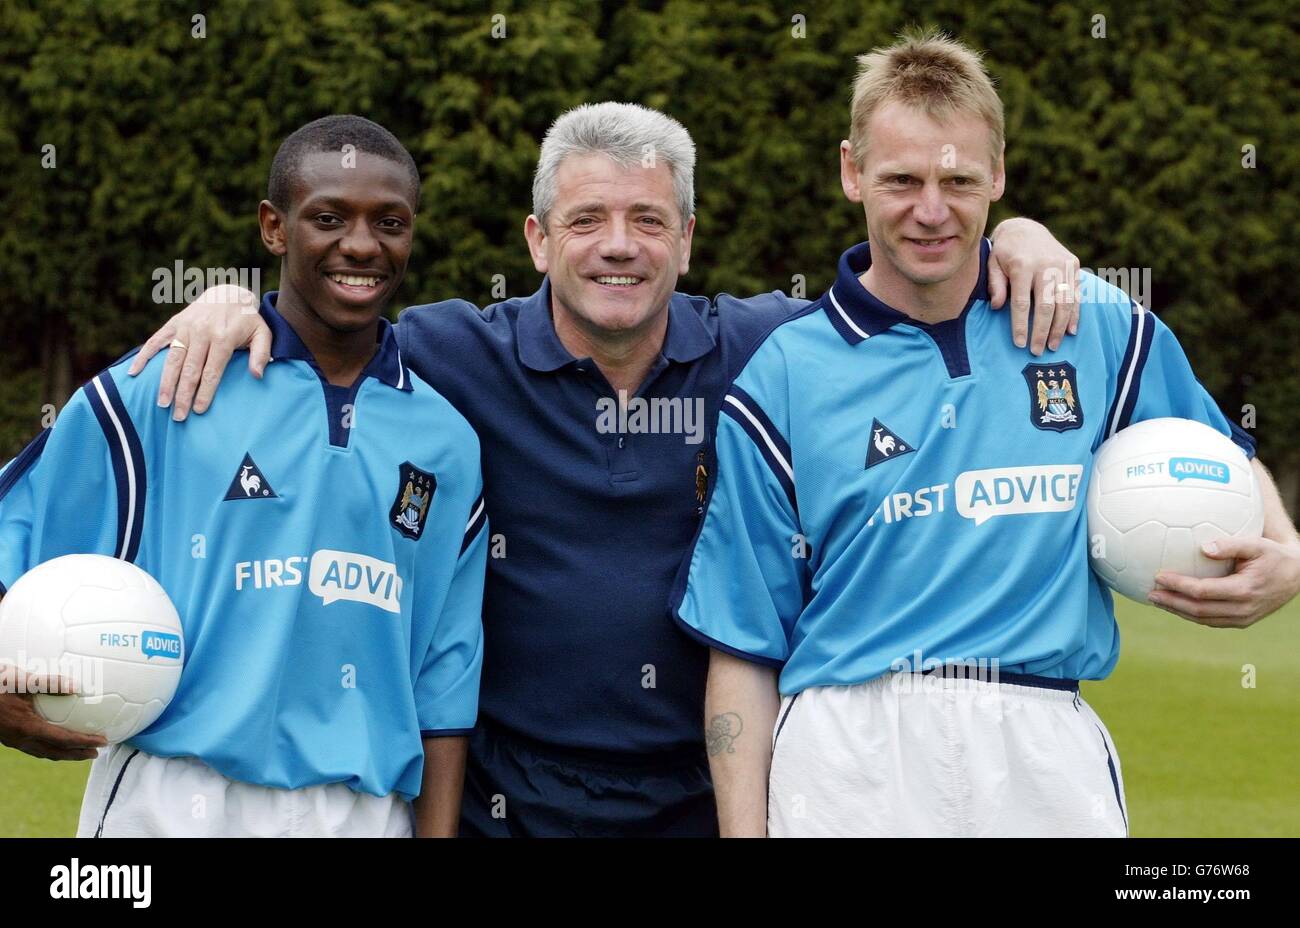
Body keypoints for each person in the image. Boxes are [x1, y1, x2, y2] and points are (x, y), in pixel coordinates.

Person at [129, 102, 1085, 837]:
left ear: (688, 239)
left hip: (705, 799)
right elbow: (326, 315)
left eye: (647, 219)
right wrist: (233, 300)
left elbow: (903, 286)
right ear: (538, 240)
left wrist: (1015, 236)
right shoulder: (448, 355)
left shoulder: (770, 351)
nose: (619, 245)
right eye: (587, 219)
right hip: (506, 804)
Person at [672, 31, 1300, 838]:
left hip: (1043, 748)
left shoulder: (1094, 323)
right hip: (846, 759)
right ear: (850, 170)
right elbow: (744, 650)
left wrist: (1285, 553)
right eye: (901, 179)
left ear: (998, 175)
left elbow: (1224, 456)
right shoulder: (784, 376)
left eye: (959, 180)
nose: (931, 210)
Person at [0, 115, 488, 837]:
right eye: (328, 217)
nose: (361, 243)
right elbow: (20, 524)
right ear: (274, 227)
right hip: (170, 798)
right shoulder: (164, 389)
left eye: (390, 222)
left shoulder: (447, 441)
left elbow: (443, 683)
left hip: (361, 814)